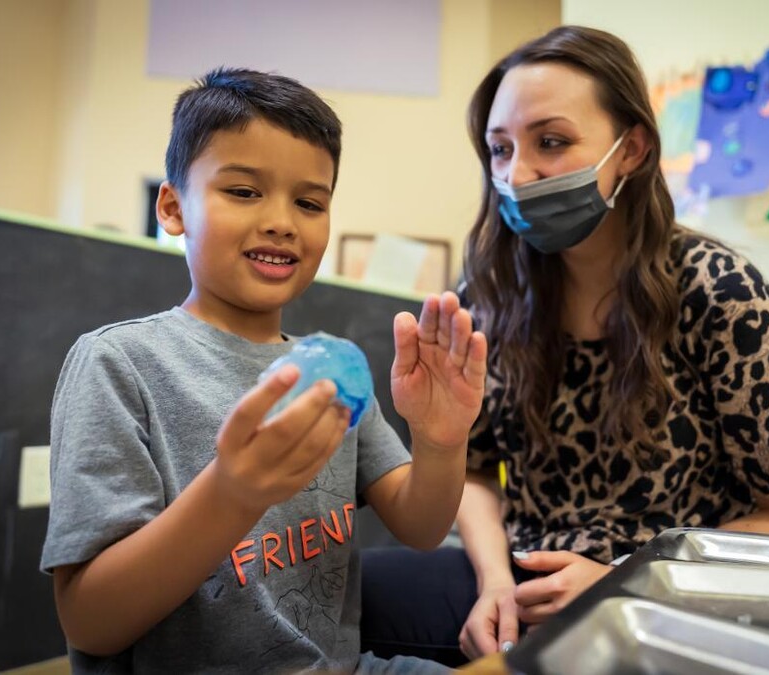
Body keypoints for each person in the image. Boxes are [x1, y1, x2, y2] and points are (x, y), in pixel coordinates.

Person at [360, 26, 769, 664]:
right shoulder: (490, 294)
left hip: (675, 592)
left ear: (631, 148)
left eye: (550, 142)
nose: (517, 174)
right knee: (334, 593)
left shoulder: (724, 295)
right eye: (500, 150)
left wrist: (629, 579)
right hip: (524, 576)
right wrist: (495, 580)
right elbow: (472, 469)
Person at [40, 67, 487, 674]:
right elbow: (90, 622)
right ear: (173, 208)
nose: (282, 220)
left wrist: (441, 439)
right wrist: (231, 495)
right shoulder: (118, 364)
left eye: (309, 202)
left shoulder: (334, 374)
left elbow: (423, 524)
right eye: (244, 191)